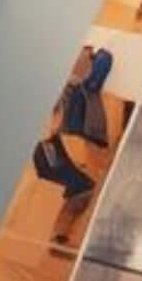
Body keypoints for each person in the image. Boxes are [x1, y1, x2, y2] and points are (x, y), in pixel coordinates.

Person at [31, 45, 112, 202]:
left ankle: (80, 184)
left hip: (75, 121)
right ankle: (79, 184)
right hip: (68, 119)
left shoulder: (81, 80)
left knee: (45, 159)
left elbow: (103, 60)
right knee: (44, 159)